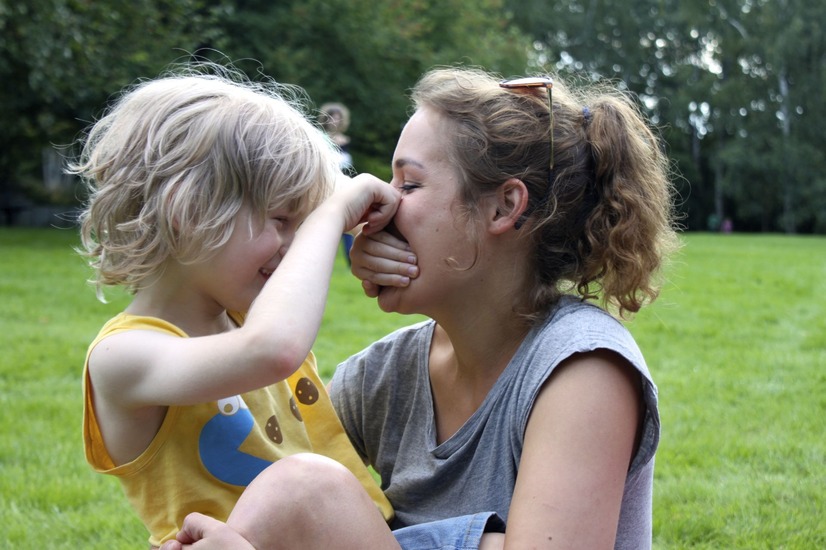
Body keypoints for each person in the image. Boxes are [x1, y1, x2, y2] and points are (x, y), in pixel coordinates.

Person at [161, 66, 680, 549]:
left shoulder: (582, 369)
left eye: (408, 184)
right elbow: (266, 506)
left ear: (504, 206)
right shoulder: (382, 377)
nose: (379, 210)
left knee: (309, 488)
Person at [69, 64, 400, 548]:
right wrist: (331, 216)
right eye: (283, 219)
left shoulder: (245, 321)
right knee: (305, 481)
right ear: (189, 210)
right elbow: (273, 349)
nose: (297, 244)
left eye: (303, 224)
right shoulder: (125, 357)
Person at [319, 102, 357, 264]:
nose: (334, 121)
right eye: (331, 118)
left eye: (337, 118)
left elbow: (348, 165)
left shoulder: (345, 141)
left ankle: (350, 257)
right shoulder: (321, 139)